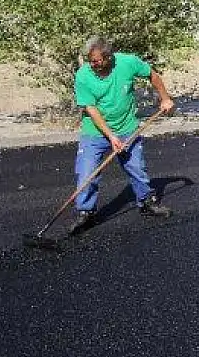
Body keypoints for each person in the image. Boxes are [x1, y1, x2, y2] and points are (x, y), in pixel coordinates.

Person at [70, 37, 175, 234]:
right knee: (87, 173)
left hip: (127, 127)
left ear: (109, 57)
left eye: (97, 61)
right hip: (95, 132)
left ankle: (146, 202)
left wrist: (165, 98)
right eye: (90, 60)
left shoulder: (127, 62)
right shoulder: (83, 75)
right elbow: (90, 109)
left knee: (136, 167)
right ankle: (85, 212)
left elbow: (152, 75)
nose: (92, 65)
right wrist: (111, 136)